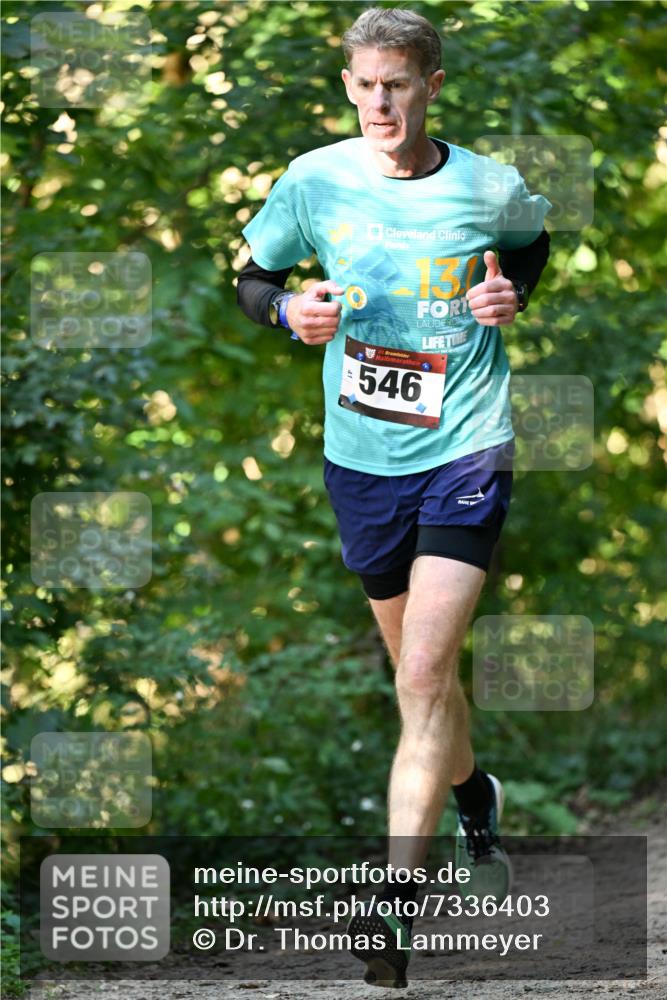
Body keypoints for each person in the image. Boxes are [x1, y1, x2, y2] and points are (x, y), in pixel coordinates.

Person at [237, 7, 551, 989]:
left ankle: (393, 914)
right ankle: (473, 796)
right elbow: (252, 274)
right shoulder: (314, 179)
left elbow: (529, 250)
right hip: (363, 459)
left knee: (421, 679)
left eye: (399, 83)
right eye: (366, 83)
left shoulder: (487, 185)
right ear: (347, 85)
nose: (381, 101)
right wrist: (289, 307)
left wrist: (510, 297)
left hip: (467, 447)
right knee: (425, 685)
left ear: (431, 85)